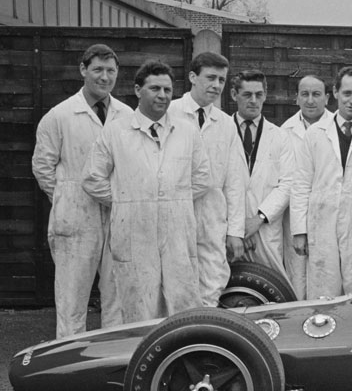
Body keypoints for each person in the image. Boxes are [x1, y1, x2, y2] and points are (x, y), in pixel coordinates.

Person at [82, 60, 211, 322]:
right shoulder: (116, 131)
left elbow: (202, 177)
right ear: (138, 90)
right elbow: (92, 178)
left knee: (183, 305)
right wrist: (127, 201)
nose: (162, 95)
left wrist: (172, 198)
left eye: (167, 89)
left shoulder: (187, 131)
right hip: (133, 233)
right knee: (138, 308)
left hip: (177, 232)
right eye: (155, 88)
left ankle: (181, 362)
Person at [32, 44, 130, 337]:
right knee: (72, 300)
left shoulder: (126, 115)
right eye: (98, 69)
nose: (104, 77)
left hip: (117, 218)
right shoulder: (59, 116)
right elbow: (43, 168)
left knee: (117, 298)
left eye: (110, 71)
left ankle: (112, 363)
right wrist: (66, 197)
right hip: (75, 219)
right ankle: (70, 369)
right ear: (83, 70)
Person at [169, 51, 246, 306]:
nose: (216, 85)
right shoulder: (170, 113)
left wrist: (235, 231)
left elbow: (235, 181)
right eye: (210, 77)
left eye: (222, 80)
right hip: (174, 216)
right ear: (193, 77)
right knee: (175, 285)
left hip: (212, 218)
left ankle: (202, 342)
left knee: (212, 284)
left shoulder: (225, 124)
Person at [292, 67, 352, 297]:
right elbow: (301, 185)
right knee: (324, 290)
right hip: (321, 223)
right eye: (347, 93)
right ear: (335, 93)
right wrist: (299, 230)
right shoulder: (315, 133)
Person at [231, 69, 293, 279]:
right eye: (247, 95)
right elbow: (216, 183)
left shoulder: (280, 136)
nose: (253, 100)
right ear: (234, 95)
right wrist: (237, 227)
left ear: (265, 96)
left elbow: (287, 185)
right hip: (229, 230)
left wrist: (257, 219)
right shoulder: (221, 131)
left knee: (273, 289)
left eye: (259, 94)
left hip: (266, 228)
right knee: (225, 292)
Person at [281, 74, 330, 298]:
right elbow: (293, 183)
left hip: (329, 217)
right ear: (297, 99)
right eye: (305, 94)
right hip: (295, 218)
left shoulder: (335, 127)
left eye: (316, 94)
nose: (310, 100)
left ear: (327, 98)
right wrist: (299, 229)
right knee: (298, 278)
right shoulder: (284, 131)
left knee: (327, 278)